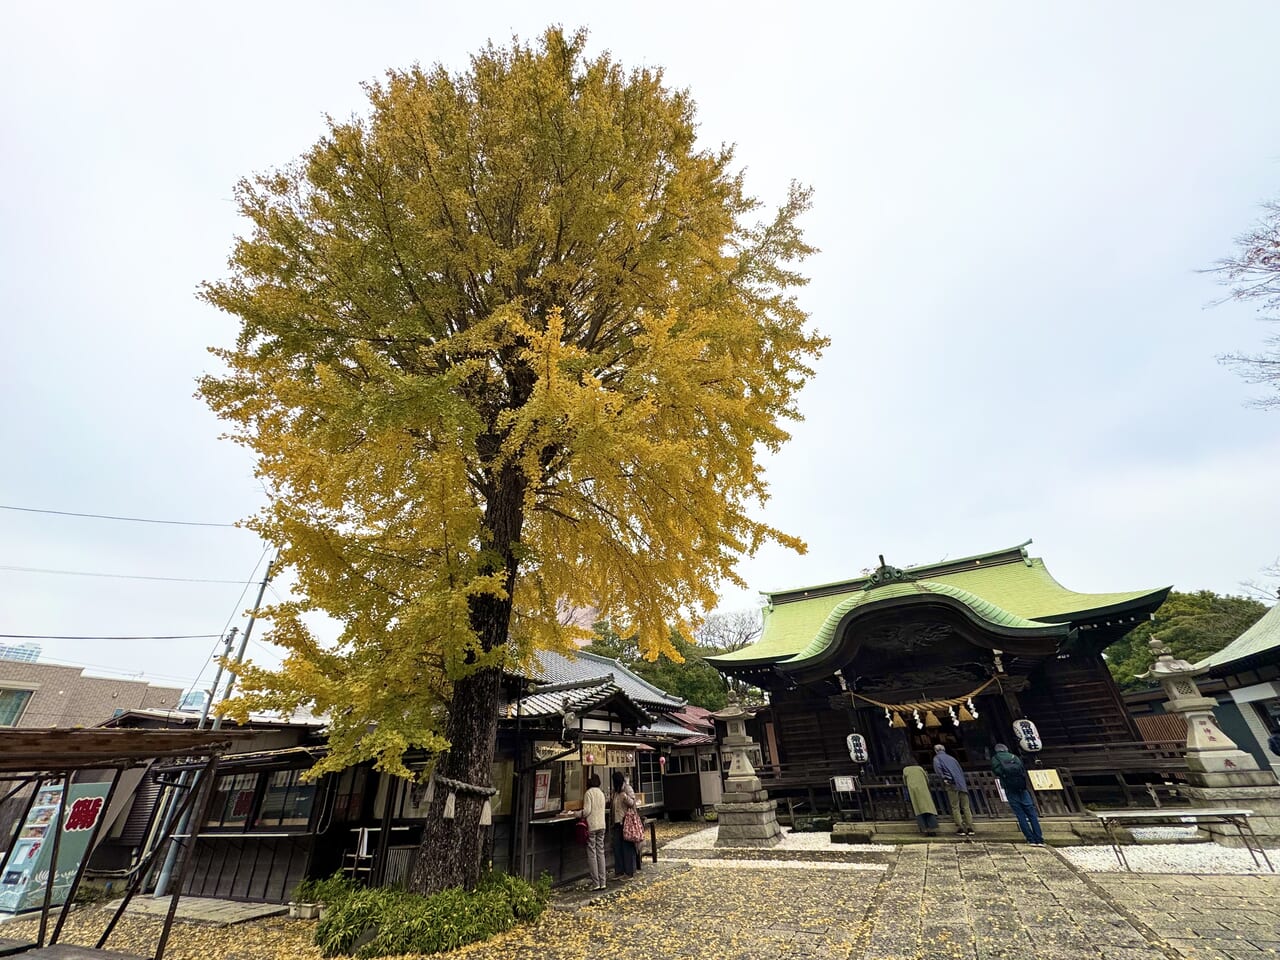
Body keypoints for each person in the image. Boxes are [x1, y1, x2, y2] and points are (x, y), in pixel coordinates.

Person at [992, 742, 1044, 845]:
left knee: (1020, 815)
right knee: (1032, 814)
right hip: (1022, 788)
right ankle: (1039, 839)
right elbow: (1021, 769)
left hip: (1009, 788)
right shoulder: (1014, 757)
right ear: (1006, 749)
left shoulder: (996, 758)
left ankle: (1030, 839)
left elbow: (996, 771)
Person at [933, 744, 975, 836]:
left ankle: (960, 827)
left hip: (951, 784)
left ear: (936, 751)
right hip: (961, 784)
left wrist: (945, 779)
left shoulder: (937, 759)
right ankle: (970, 827)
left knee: (955, 806)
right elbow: (960, 770)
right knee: (966, 806)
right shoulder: (952, 758)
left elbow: (939, 771)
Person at [610, 770, 639, 877]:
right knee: (617, 847)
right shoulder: (615, 791)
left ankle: (629, 871)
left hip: (626, 823)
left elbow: (632, 803)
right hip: (617, 823)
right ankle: (619, 871)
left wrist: (625, 797)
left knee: (627, 847)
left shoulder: (627, 789)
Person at [582, 773, 607, 890]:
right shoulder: (601, 793)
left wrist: (577, 813)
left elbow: (587, 811)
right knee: (600, 852)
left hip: (592, 826)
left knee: (592, 853)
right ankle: (603, 881)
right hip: (602, 825)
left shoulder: (589, 793)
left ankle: (596, 883)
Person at [902, 763, 938, 836]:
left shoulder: (905, 770)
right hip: (923, 790)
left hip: (913, 792)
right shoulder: (920, 768)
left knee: (918, 810)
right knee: (928, 809)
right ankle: (932, 829)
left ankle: (925, 830)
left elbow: (905, 782)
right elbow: (926, 779)